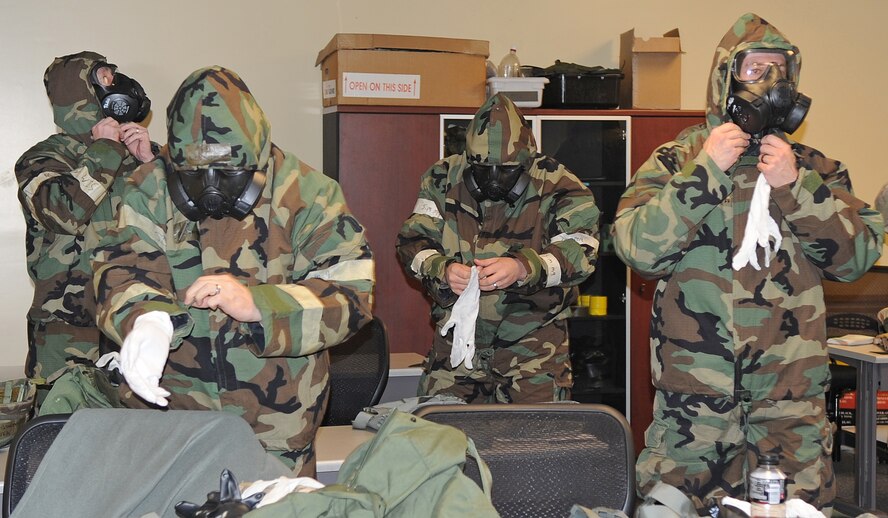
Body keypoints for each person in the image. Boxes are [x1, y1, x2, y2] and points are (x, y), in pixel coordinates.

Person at [612, 13, 884, 514]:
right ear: (725, 78)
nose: (769, 82)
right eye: (755, 68)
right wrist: (705, 171)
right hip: (694, 404)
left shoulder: (816, 167)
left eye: (779, 71)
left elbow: (856, 259)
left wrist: (795, 186)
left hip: (790, 403)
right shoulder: (676, 159)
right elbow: (637, 249)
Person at [91, 66, 374, 475]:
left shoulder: (309, 194)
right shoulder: (147, 187)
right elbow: (119, 268)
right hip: (170, 421)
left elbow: (351, 293)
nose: (210, 189)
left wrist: (261, 304)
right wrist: (146, 317)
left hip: (279, 427)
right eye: (195, 175)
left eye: (228, 175)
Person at [396, 93, 600, 403]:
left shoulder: (561, 186)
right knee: (443, 442)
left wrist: (523, 268)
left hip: (532, 353)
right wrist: (442, 269)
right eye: (482, 171)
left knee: (531, 448)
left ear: (526, 162)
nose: (492, 181)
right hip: (457, 351)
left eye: (505, 172)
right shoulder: (442, 178)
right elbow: (412, 242)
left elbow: (581, 254)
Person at [15, 51, 156, 401]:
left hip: (139, 324)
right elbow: (63, 211)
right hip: (69, 337)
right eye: (105, 78)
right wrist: (105, 149)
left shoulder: (139, 154)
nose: (116, 86)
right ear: (78, 93)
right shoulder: (42, 159)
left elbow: (182, 229)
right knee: (64, 439)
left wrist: (152, 165)